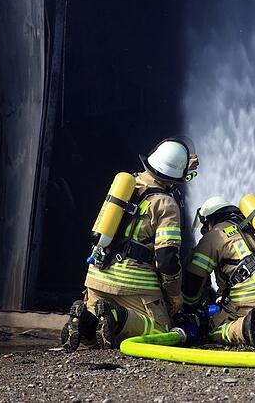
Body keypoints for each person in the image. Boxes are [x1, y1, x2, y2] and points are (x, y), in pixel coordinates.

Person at [61, 138, 199, 351]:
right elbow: (167, 258)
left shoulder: (127, 184)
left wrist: (179, 164)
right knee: (161, 330)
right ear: (176, 178)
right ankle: (115, 316)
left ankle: (83, 322)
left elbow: (165, 168)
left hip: (97, 276)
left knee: (96, 335)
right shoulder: (166, 204)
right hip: (133, 283)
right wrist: (175, 294)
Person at [182, 196, 255, 346]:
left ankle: (244, 329)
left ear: (210, 219)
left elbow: (194, 277)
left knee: (213, 328)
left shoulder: (213, 235)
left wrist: (188, 304)